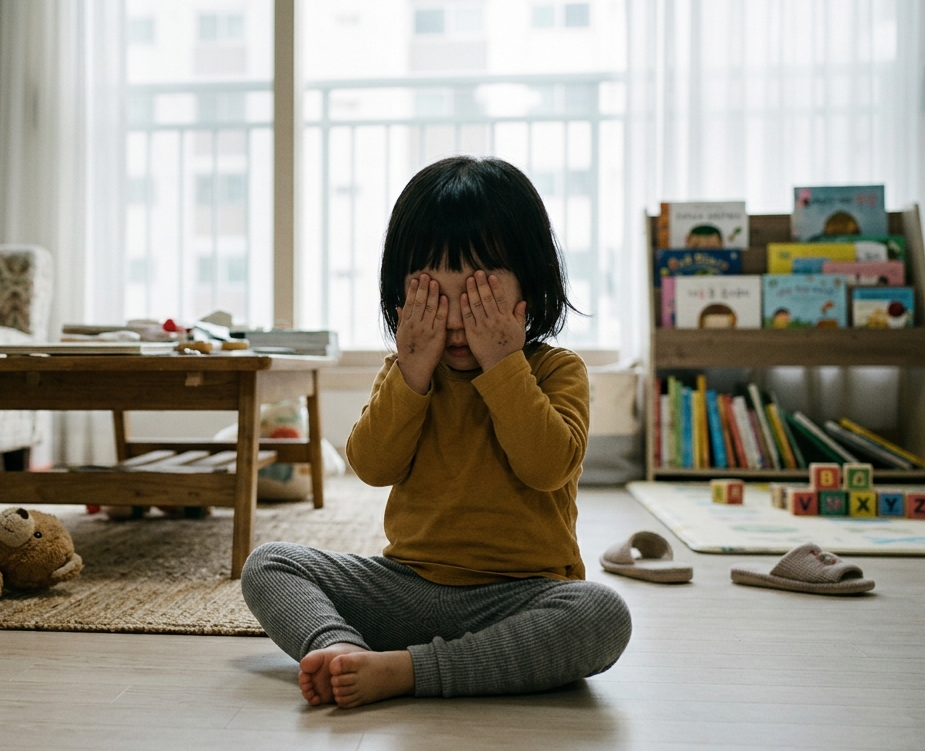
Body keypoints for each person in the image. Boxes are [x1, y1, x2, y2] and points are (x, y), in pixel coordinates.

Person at [240, 156, 632, 709]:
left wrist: (504, 365)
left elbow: (546, 468)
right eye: (433, 296)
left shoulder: (555, 371)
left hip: (518, 597)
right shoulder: (405, 372)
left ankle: (408, 670)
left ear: (531, 283)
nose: (453, 318)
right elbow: (372, 467)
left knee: (602, 615)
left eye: (478, 295)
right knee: (269, 564)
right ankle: (342, 650)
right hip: (406, 588)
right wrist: (411, 374)